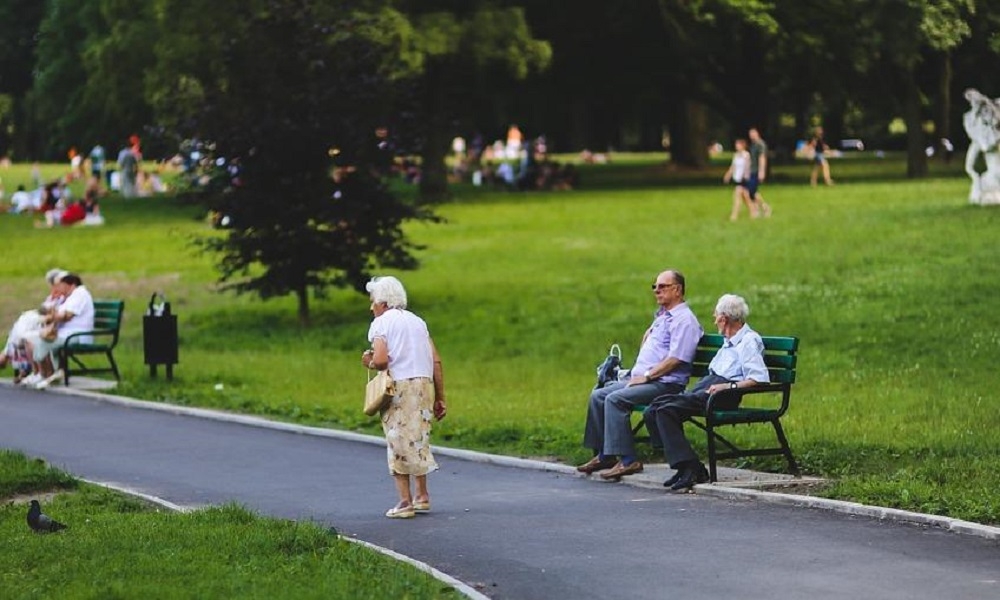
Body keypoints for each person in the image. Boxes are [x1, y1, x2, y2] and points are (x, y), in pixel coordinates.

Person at [576, 270, 703, 480]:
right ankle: (605, 454)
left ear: (677, 290)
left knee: (615, 399)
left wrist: (647, 376)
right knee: (598, 395)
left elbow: (677, 359)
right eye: (654, 286)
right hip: (645, 379)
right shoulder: (663, 317)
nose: (656, 291)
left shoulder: (685, 320)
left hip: (665, 384)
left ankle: (628, 460)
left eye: (662, 286)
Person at [643, 294, 770, 491]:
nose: (714, 319)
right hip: (709, 387)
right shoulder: (728, 340)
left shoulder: (748, 341)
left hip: (723, 394)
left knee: (666, 410)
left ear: (724, 318)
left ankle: (692, 468)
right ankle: (684, 466)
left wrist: (727, 387)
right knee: (654, 408)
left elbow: (758, 378)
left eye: (716, 316)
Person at [361, 276, 447, 519]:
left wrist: (367, 361)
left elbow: (380, 361)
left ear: (383, 302)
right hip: (423, 386)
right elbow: (436, 361)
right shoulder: (418, 322)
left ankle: (404, 502)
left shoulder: (381, 324)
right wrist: (440, 397)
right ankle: (422, 496)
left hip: (399, 388)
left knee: (397, 440)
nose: (371, 308)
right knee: (418, 438)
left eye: (372, 302)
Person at [23, 273, 95, 389]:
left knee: (43, 341)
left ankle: (50, 374)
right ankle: (44, 373)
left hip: (77, 335)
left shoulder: (80, 294)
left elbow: (67, 315)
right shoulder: (69, 297)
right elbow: (54, 312)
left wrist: (49, 317)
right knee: (29, 338)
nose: (60, 289)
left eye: (62, 286)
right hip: (64, 333)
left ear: (71, 285)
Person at [0, 269, 68, 383]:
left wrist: (48, 311)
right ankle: (10, 357)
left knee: (24, 330)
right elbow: (44, 308)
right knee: (23, 323)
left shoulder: (68, 297)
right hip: (44, 323)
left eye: (56, 284)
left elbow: (56, 313)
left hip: (51, 326)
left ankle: (8, 357)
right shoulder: (55, 295)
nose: (54, 287)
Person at [723, 138, 754, 221]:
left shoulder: (746, 155)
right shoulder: (736, 155)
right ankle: (753, 211)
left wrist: (745, 176)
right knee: (746, 197)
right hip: (737, 178)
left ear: (743, 146)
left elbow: (747, 166)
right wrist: (728, 175)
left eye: (738, 145)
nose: (736, 146)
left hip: (743, 179)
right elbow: (733, 167)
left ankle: (734, 215)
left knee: (737, 197)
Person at [747, 128, 773, 218]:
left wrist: (762, 172)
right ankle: (757, 210)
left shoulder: (760, 144)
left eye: (753, 134)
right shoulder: (753, 145)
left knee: (751, 191)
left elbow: (762, 158)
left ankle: (765, 207)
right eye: (750, 134)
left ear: (757, 133)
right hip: (751, 170)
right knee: (752, 191)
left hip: (757, 170)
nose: (751, 136)